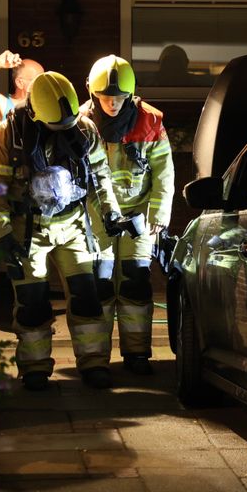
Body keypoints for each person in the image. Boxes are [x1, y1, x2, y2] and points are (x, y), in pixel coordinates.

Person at [0, 71, 126, 391]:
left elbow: (101, 177)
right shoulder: (8, 133)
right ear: (36, 115)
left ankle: (94, 363)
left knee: (87, 295)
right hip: (28, 228)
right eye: (57, 128)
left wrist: (111, 213)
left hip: (73, 225)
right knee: (32, 300)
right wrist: (1, 234)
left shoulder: (84, 129)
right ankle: (35, 367)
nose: (63, 132)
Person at [81, 54, 175, 375]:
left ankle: (137, 353)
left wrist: (159, 212)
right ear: (94, 94)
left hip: (139, 217)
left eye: (119, 98)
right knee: (99, 284)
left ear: (130, 96)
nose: (112, 104)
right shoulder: (83, 123)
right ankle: (94, 361)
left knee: (136, 281)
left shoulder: (149, 122)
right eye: (106, 98)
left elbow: (164, 173)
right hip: (97, 220)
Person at [0, 50, 44, 126]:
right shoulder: (2, 102)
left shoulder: (45, 106)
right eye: (38, 80)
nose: (42, 85)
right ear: (20, 83)